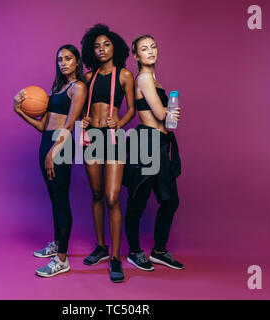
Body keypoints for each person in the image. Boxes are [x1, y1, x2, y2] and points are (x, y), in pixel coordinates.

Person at [14, 44, 87, 277]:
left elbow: (70, 124)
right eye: (59, 59)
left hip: (60, 145)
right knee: (54, 198)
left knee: (61, 199)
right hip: (47, 141)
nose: (63, 63)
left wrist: (53, 152)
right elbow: (42, 126)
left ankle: (62, 259)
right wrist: (19, 110)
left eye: (68, 58)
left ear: (77, 61)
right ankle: (57, 243)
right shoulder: (57, 87)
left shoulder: (78, 87)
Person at [123, 35, 184, 272]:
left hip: (160, 142)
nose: (150, 51)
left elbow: (166, 119)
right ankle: (135, 252)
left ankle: (158, 251)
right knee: (138, 202)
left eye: (153, 47)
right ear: (136, 56)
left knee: (170, 200)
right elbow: (161, 115)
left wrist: (171, 114)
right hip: (146, 142)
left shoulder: (156, 82)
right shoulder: (145, 78)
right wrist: (170, 112)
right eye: (144, 49)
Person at [80, 24, 135, 283]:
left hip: (113, 137)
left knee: (113, 197)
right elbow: (81, 108)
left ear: (116, 47)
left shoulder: (124, 75)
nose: (101, 49)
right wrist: (83, 119)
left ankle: (115, 257)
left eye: (106, 45)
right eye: (96, 46)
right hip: (92, 137)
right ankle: (101, 246)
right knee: (97, 193)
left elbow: (132, 110)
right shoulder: (88, 78)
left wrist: (120, 123)